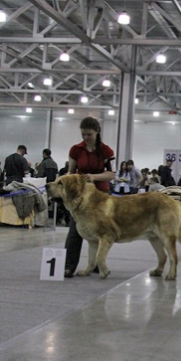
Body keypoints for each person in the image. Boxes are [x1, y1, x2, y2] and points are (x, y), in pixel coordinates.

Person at [64, 116, 115, 278]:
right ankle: (68, 266)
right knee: (75, 231)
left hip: (101, 196)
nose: (86, 137)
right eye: (83, 134)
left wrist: (94, 177)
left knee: (100, 232)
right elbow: (71, 172)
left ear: (97, 132)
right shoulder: (75, 150)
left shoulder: (106, 151)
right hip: (80, 197)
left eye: (89, 134)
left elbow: (111, 174)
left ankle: (96, 265)